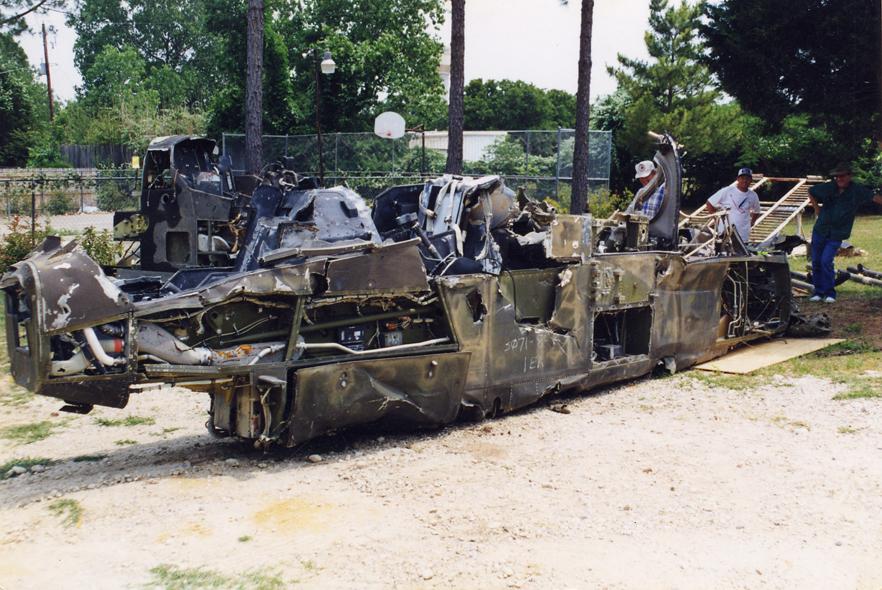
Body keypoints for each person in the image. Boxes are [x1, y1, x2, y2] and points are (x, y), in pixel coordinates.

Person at [807, 162, 882, 303]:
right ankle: (818, 292)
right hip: (821, 229)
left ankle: (830, 293)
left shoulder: (857, 190)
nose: (839, 179)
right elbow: (811, 190)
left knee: (826, 261)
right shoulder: (828, 187)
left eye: (842, 176)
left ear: (849, 176)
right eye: (837, 177)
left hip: (837, 233)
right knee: (816, 261)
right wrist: (816, 208)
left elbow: (874, 197)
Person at [705, 168, 762, 243]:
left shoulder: (753, 195)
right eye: (742, 178)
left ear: (751, 180)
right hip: (725, 231)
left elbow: (757, 211)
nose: (745, 181)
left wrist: (752, 222)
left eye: (747, 179)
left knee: (741, 249)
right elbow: (709, 203)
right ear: (738, 179)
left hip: (743, 234)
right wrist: (717, 220)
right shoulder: (727, 190)